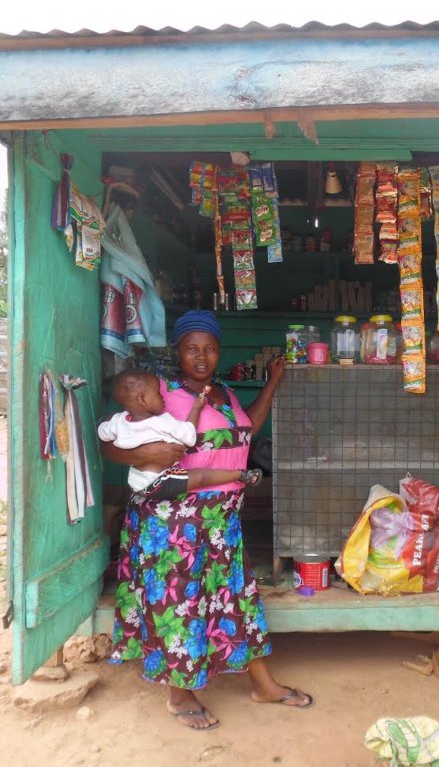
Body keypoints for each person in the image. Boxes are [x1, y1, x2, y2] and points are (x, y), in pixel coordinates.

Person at [102, 309, 312, 731]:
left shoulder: (225, 393)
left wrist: (272, 382)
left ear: (220, 352)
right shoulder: (159, 392)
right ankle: (179, 694)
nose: (201, 356)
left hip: (221, 520)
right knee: (178, 604)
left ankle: (262, 684)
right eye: (192, 348)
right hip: (173, 522)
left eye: (210, 348)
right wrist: (144, 454)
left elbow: (247, 429)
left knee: (236, 598)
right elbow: (112, 445)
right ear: (177, 350)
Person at [97, 369, 262, 502]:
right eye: (158, 393)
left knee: (199, 477)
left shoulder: (118, 422)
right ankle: (240, 474)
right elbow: (189, 436)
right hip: (162, 481)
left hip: (138, 483)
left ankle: (240, 474)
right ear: (142, 399)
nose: (162, 397)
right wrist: (196, 408)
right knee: (201, 477)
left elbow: (101, 434)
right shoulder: (162, 422)